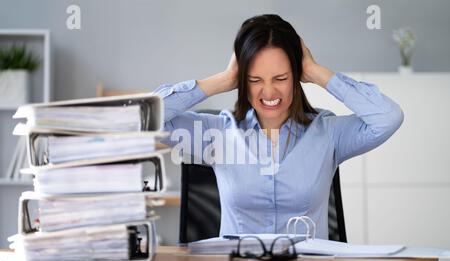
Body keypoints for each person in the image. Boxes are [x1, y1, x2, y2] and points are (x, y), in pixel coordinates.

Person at [155, 14, 403, 239]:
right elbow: (144, 118)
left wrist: (315, 72)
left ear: (296, 77)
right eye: (255, 80)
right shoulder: (216, 134)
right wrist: (225, 79)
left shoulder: (328, 133)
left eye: (281, 78)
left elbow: (387, 118)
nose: (269, 92)